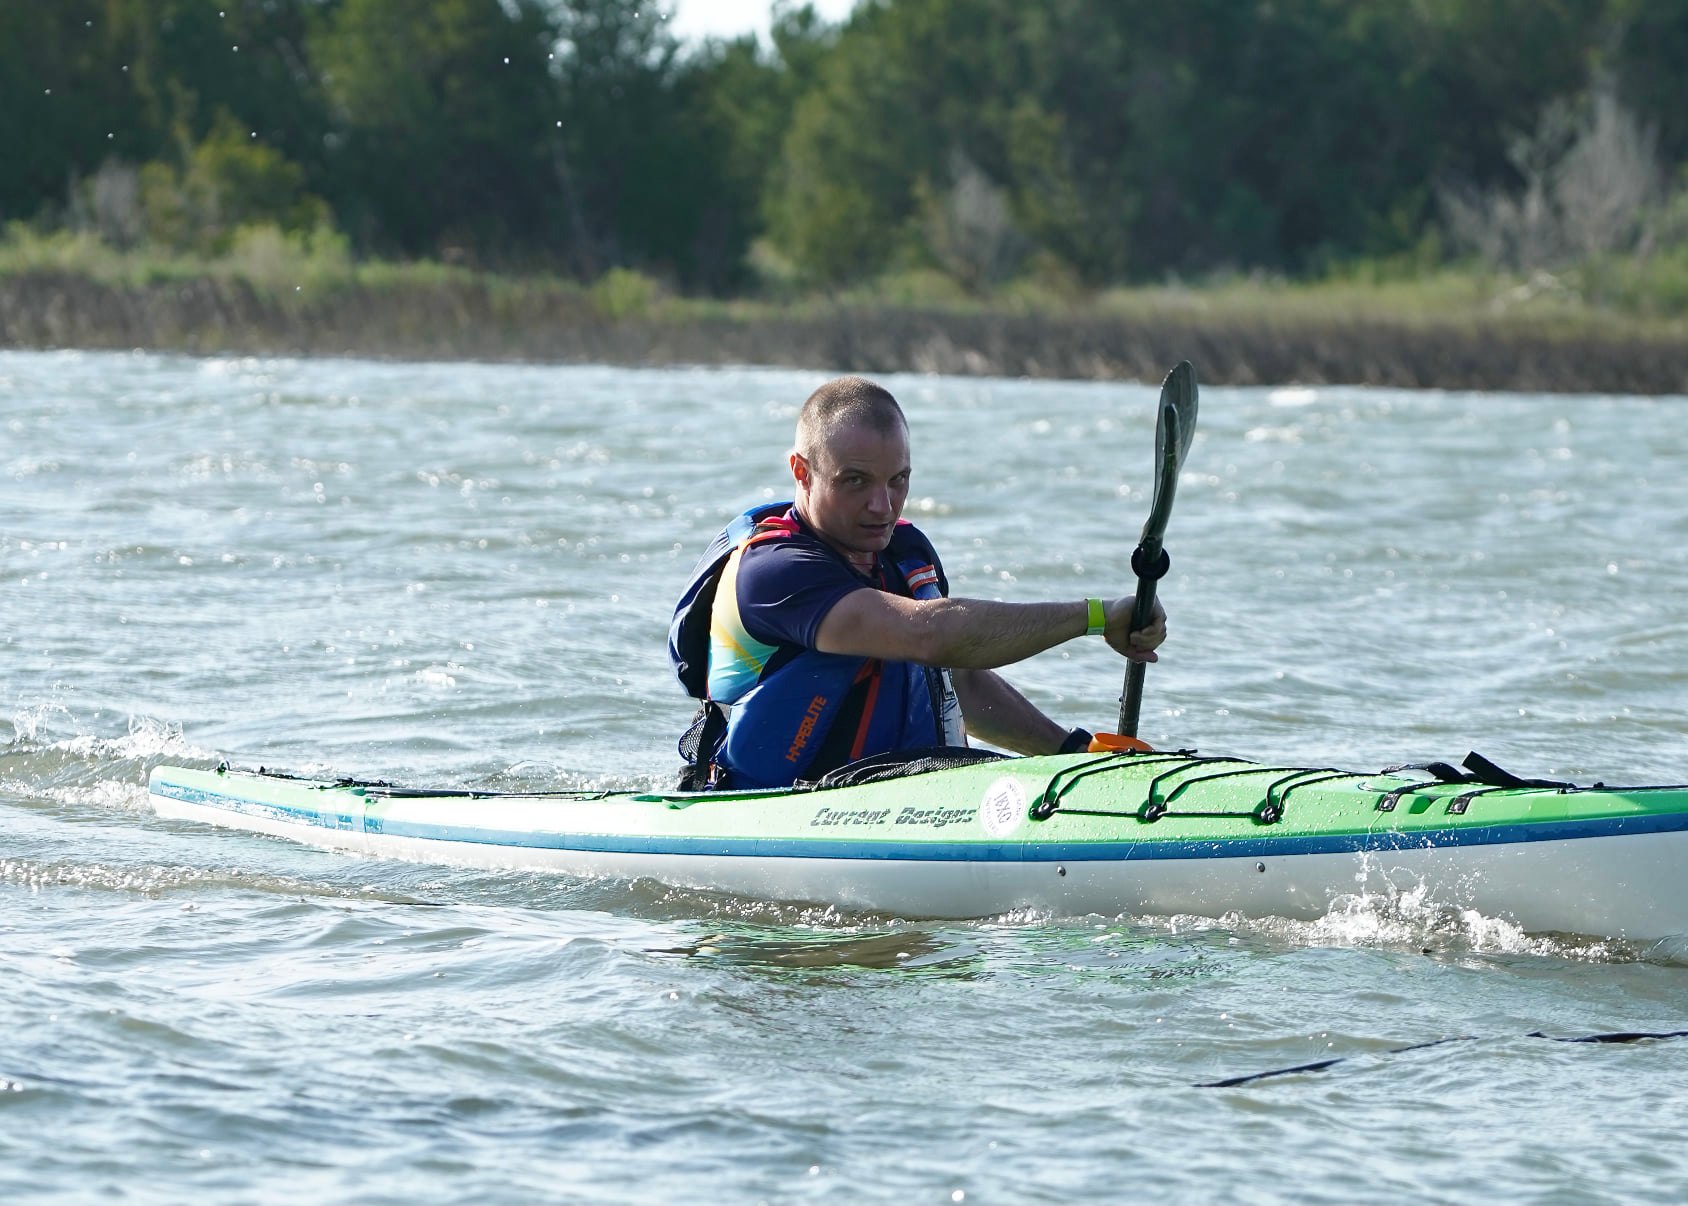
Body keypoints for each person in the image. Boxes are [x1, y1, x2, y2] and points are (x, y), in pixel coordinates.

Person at [669, 375, 1167, 789]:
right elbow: (928, 635)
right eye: (855, 481)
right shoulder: (774, 569)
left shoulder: (905, 552)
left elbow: (959, 679)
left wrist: (1072, 753)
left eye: (898, 480)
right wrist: (1095, 617)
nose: (882, 506)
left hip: (900, 795)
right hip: (769, 804)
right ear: (802, 471)